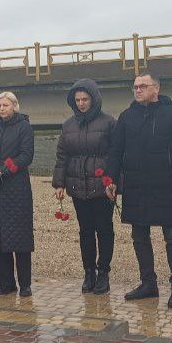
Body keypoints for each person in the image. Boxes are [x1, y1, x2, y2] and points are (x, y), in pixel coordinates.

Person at [105, 73, 172, 308]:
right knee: (139, 236)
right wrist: (110, 180)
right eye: (135, 87)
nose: (138, 90)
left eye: (143, 86)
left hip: (166, 185)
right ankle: (148, 284)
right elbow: (115, 151)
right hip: (135, 185)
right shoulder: (126, 117)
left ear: (156, 88)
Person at [52, 79, 116, 295]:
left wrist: (113, 181)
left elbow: (116, 155)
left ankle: (103, 271)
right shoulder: (68, 125)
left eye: (85, 99)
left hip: (102, 187)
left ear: (94, 99)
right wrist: (59, 183)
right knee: (85, 231)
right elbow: (62, 156)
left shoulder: (109, 123)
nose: (81, 103)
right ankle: (89, 272)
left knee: (104, 230)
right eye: (77, 100)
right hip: (78, 186)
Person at [0, 92, 35, 296]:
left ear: (15, 106)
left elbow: (26, 156)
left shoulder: (24, 127)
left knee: (20, 238)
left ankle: (25, 284)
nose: (2, 108)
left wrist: (1, 171)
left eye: (6, 105)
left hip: (17, 189)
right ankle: (6, 283)